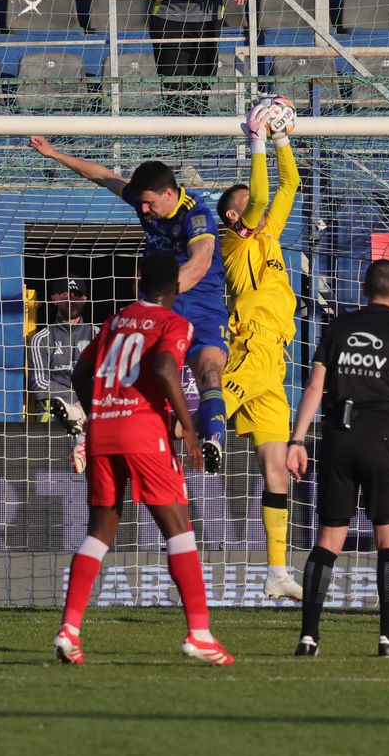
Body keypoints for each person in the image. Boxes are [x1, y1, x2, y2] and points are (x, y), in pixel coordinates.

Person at [53, 252, 233, 667]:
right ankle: (200, 634)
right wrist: (188, 426)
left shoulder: (115, 320)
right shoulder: (175, 323)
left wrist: (96, 410)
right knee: (179, 529)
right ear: (177, 286)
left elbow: (82, 375)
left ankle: (69, 629)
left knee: (99, 530)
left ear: (139, 281)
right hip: (142, 430)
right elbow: (168, 367)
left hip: (103, 429)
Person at [28, 138, 230, 474]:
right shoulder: (143, 201)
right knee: (118, 368)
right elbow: (104, 176)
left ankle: (214, 442)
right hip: (160, 304)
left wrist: (161, 294)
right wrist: (54, 154)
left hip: (200, 306)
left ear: (169, 193)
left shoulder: (197, 217)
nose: (144, 210)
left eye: (149, 203)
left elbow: (200, 262)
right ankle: (85, 423)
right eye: (142, 204)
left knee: (210, 372)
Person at [287, 259, 389, 657]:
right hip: (383, 439)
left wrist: (297, 439)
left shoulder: (337, 328)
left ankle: (309, 636)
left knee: (328, 539)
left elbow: (313, 388)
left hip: (338, 438)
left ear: (363, 288)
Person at [212, 103, 302, 600]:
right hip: (249, 348)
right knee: (204, 420)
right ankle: (117, 441)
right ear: (234, 213)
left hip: (276, 361)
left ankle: (276, 570)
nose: (259, 209)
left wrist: (284, 138)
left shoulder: (268, 233)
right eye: (248, 205)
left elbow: (287, 187)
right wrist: (257, 139)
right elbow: (265, 191)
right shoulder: (233, 239)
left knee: (276, 468)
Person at [122, 0, 257, 115]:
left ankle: (195, 138)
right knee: (173, 99)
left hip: (210, 17)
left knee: (200, 97)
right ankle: (175, 138)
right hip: (168, 16)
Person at [29, 277, 99, 473]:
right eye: (65, 294)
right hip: (54, 418)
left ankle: (83, 442)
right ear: (54, 298)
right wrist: (76, 404)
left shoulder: (97, 335)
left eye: (77, 294)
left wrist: (81, 407)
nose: (71, 299)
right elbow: (39, 385)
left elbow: (106, 381)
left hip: (91, 416)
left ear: (85, 299)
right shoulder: (42, 338)